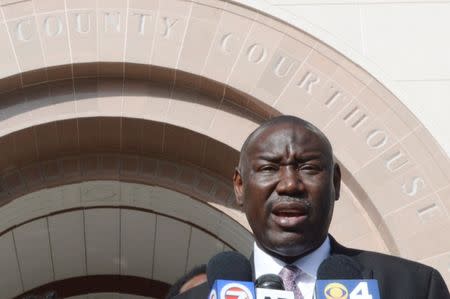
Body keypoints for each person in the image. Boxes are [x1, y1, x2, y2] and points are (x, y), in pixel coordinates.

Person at [232, 115, 449, 299]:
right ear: (240, 186)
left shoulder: (416, 287)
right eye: (269, 168)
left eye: (308, 168)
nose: (290, 184)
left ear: (335, 183)